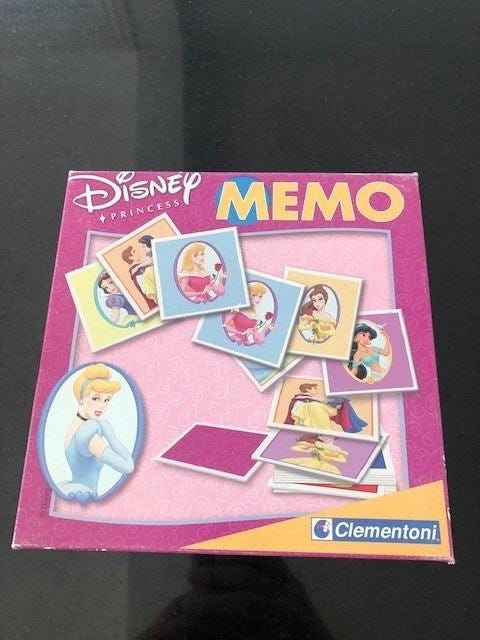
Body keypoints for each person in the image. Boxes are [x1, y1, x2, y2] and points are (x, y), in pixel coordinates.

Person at [59, 364, 134, 504]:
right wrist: (111, 437)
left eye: (106, 400)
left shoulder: (76, 425)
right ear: (81, 398)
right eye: (95, 398)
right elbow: (128, 466)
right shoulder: (88, 430)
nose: (102, 406)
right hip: (85, 494)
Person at [284, 383, 368, 433]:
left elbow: (325, 402)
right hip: (312, 413)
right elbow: (295, 410)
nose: (317, 390)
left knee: (315, 405)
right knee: (314, 406)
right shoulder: (301, 398)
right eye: (314, 388)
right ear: (307, 389)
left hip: (328, 410)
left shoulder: (315, 398)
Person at [223, 281, 274, 345]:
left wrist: (265, 328)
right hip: (232, 339)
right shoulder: (237, 310)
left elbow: (258, 341)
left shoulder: (255, 317)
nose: (257, 299)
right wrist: (241, 332)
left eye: (260, 296)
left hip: (244, 343)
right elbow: (223, 325)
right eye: (254, 295)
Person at [282, 434, 349, 474]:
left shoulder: (337, 448)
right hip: (313, 462)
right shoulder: (317, 443)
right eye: (321, 435)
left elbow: (343, 460)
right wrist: (308, 450)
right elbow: (294, 448)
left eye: (329, 435)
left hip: (328, 467)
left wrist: (326, 457)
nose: (325, 437)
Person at [122, 236, 157, 308]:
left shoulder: (140, 265)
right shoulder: (135, 270)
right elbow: (144, 288)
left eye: (144, 247)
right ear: (130, 257)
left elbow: (150, 259)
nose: (138, 252)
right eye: (134, 252)